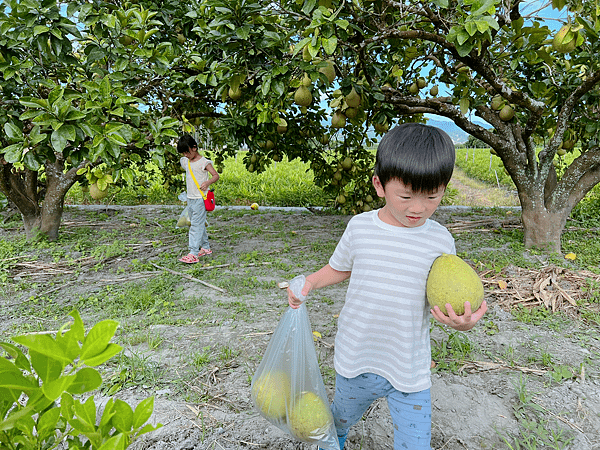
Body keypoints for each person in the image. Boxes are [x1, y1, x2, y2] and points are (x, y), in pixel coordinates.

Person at [287, 123, 488, 450]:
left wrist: (461, 322)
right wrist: (309, 282)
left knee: (416, 443)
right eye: (406, 196)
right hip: (357, 359)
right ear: (380, 185)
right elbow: (339, 269)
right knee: (338, 420)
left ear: (444, 189)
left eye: (432, 196)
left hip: (409, 369)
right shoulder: (360, 228)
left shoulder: (440, 241)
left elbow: (444, 297)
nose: (418, 208)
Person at [177, 134, 220, 263]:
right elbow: (184, 163)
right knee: (197, 224)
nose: (185, 155)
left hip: (201, 199)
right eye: (183, 152)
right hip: (190, 198)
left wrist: (207, 183)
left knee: (195, 226)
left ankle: (193, 252)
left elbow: (215, 175)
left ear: (194, 148)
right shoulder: (186, 161)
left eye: (187, 151)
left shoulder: (204, 162)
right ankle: (205, 247)